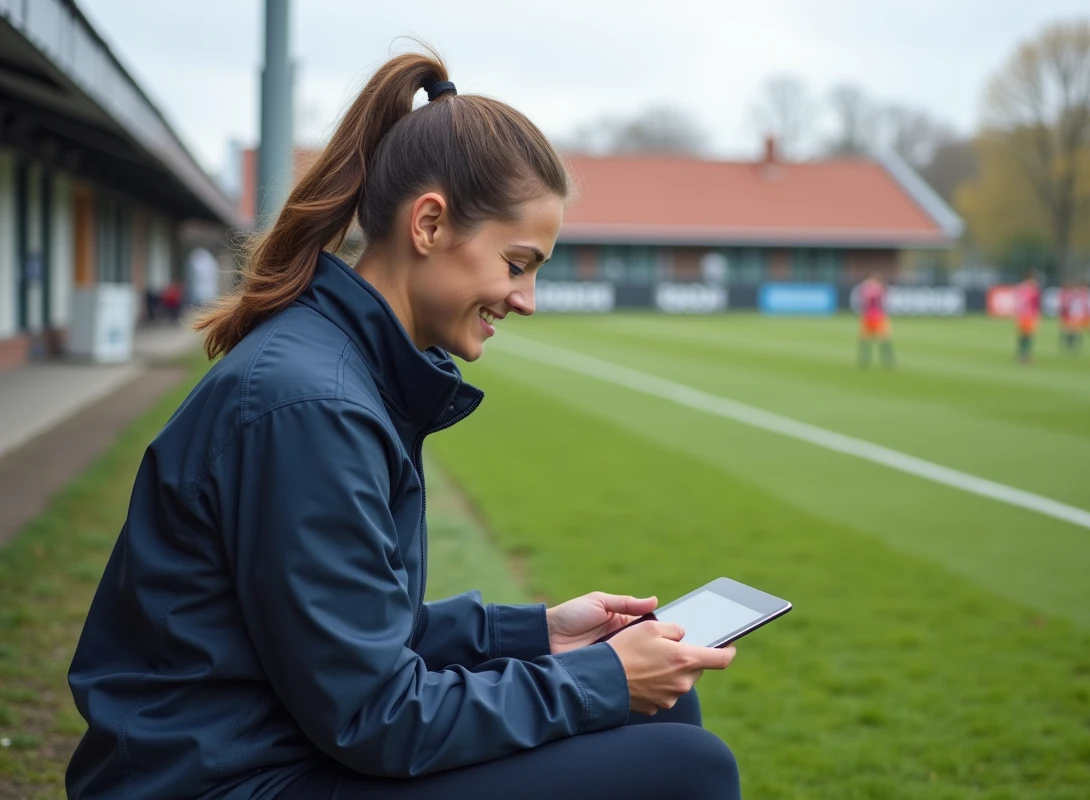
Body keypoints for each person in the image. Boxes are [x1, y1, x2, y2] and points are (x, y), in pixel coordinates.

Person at [65, 52, 740, 800]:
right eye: (518, 264)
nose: (529, 298)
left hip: (274, 743)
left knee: (667, 706)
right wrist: (597, 681)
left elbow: (351, 636)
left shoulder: (343, 370)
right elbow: (375, 715)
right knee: (690, 768)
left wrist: (537, 635)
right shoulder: (314, 405)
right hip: (218, 780)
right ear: (428, 223)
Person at [855, 273, 895, 369]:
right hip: (878, 316)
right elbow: (884, 302)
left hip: (868, 316)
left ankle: (864, 361)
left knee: (865, 339)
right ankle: (887, 361)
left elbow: (862, 302)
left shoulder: (866, 288)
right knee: (884, 339)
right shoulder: (879, 289)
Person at [1014, 271, 1041, 364]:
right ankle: (1026, 356)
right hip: (1029, 315)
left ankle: (1021, 355)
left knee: (1022, 336)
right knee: (1028, 336)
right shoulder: (1032, 289)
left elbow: (1017, 301)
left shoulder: (1020, 287)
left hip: (1020, 315)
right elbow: (1035, 303)